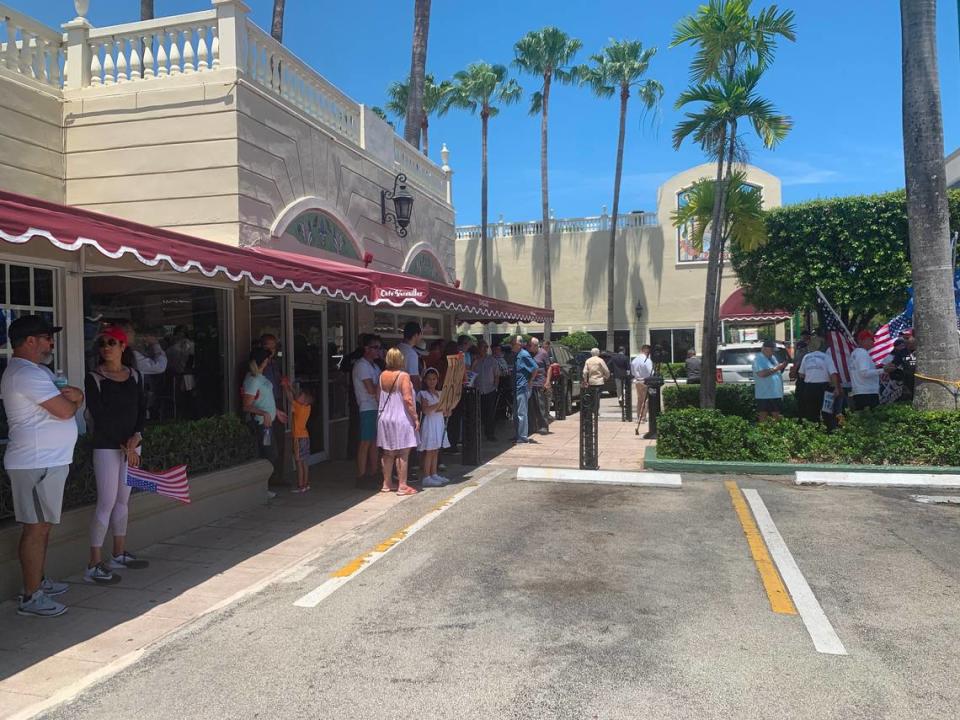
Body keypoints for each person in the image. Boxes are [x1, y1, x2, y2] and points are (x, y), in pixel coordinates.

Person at [2, 316, 83, 617]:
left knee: (43, 525)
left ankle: (38, 582)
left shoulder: (37, 372)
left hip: (46, 462)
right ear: (30, 341)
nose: (51, 343)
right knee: (35, 529)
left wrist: (74, 399)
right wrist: (80, 400)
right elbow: (64, 410)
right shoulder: (25, 373)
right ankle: (31, 596)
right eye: (47, 337)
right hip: (35, 463)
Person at [84, 325, 149, 585]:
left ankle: (119, 552)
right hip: (108, 446)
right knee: (107, 502)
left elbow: (142, 409)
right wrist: (125, 445)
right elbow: (99, 415)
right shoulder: (95, 377)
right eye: (103, 343)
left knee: (123, 500)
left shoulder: (135, 375)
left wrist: (137, 437)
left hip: (131, 445)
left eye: (112, 342)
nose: (106, 347)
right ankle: (93, 563)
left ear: (123, 346)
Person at [377, 347, 419, 496]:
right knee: (403, 452)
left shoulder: (382, 375)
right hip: (401, 418)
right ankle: (402, 485)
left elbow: (378, 396)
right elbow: (407, 399)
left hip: (384, 418)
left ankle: (386, 483)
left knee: (388, 452)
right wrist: (415, 418)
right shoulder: (404, 376)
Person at [242, 348, 287, 465]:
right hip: (263, 424)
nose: (268, 362)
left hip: (268, 422)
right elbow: (246, 406)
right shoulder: (253, 380)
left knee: (270, 453)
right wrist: (264, 414)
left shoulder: (260, 377)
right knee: (269, 454)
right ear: (262, 362)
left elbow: (264, 398)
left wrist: (275, 411)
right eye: (267, 360)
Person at [351, 336, 381, 487]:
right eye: (375, 347)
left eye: (379, 347)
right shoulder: (361, 365)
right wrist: (381, 386)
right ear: (367, 349)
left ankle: (373, 472)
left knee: (375, 442)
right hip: (367, 407)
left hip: (376, 407)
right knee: (365, 442)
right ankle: (361, 475)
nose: (378, 350)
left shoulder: (374, 366)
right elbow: (371, 389)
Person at [258, 334, 286, 482]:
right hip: (266, 407)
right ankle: (267, 479)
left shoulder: (275, 363)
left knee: (280, 439)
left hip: (277, 402)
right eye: (268, 346)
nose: (271, 350)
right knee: (268, 442)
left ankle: (278, 476)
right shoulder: (258, 367)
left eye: (274, 346)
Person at [417, 368, 450, 487]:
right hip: (429, 424)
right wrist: (439, 404)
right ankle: (426, 476)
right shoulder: (423, 394)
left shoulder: (441, 393)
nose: (432, 381)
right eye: (429, 379)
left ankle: (434, 473)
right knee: (429, 451)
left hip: (439, 423)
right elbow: (426, 410)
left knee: (436, 450)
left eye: (434, 379)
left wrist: (447, 410)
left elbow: (445, 412)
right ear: (425, 380)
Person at [282, 379, 314, 493]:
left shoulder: (298, 407)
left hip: (298, 438)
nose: (299, 396)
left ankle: (300, 485)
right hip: (305, 436)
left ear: (304, 401)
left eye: (302, 396)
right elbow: (296, 396)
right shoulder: (307, 408)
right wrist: (291, 387)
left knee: (298, 462)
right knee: (305, 462)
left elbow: (291, 399)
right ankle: (306, 484)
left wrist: (286, 387)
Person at [850, 329, 894, 410]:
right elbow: (864, 373)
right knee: (871, 418)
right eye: (870, 339)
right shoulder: (863, 353)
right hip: (867, 393)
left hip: (860, 391)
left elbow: (862, 371)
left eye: (873, 339)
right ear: (861, 340)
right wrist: (884, 370)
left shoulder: (855, 353)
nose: (872, 342)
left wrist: (879, 368)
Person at [796, 335, 835, 423]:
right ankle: (828, 430)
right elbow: (833, 373)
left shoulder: (806, 357)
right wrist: (835, 386)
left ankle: (814, 430)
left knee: (811, 411)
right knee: (826, 411)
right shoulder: (826, 357)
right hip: (824, 386)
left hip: (809, 387)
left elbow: (801, 374)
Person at [753, 339, 788, 422]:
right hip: (764, 394)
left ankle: (777, 433)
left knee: (777, 416)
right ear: (764, 349)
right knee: (763, 416)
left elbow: (776, 371)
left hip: (775, 393)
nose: (773, 352)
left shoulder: (773, 358)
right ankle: (763, 433)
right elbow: (761, 374)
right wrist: (778, 368)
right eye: (771, 350)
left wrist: (782, 367)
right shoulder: (758, 359)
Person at [512, 336, 538, 443]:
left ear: (519, 344)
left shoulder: (524, 355)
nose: (511, 345)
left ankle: (523, 437)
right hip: (517, 387)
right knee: (516, 413)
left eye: (513, 343)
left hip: (522, 387)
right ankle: (518, 435)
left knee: (521, 413)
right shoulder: (517, 355)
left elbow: (535, 367)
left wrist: (531, 380)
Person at [472, 341, 500, 441]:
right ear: (478, 348)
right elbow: (469, 374)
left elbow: (497, 375)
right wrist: (473, 364)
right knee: (479, 414)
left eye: (486, 347)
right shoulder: (474, 360)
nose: (484, 349)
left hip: (490, 390)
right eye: (482, 347)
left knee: (490, 414)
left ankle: (490, 434)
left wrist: (495, 387)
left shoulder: (492, 360)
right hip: (478, 391)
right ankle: (478, 434)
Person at [528, 337, 550, 435]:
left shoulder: (543, 353)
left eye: (530, 345)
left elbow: (549, 368)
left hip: (540, 383)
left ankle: (544, 426)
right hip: (531, 384)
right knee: (531, 407)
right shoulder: (528, 354)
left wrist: (547, 381)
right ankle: (532, 427)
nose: (529, 347)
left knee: (541, 406)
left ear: (536, 346)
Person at [398, 322, 423, 392]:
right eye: (420, 334)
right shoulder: (411, 353)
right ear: (415, 335)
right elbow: (414, 378)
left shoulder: (397, 348)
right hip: (406, 392)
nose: (421, 337)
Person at [631, 345, 653, 422]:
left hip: (637, 381)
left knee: (639, 399)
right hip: (645, 381)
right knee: (645, 400)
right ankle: (643, 417)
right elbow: (651, 372)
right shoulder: (647, 360)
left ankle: (638, 416)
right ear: (647, 351)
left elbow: (632, 372)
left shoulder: (635, 360)